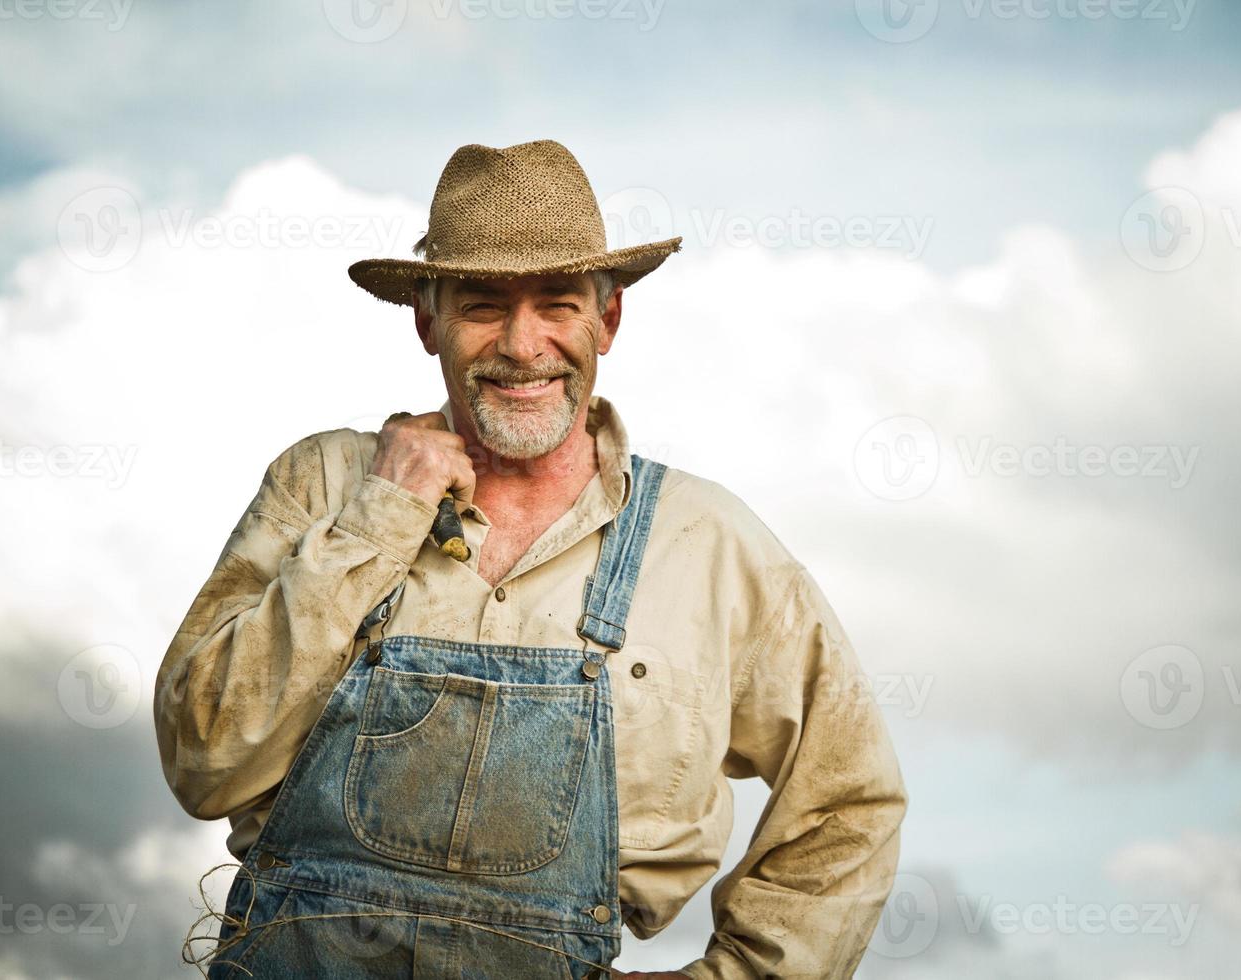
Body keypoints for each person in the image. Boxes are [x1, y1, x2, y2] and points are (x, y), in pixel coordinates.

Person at [153, 139, 906, 979]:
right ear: (427, 321)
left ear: (607, 322)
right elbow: (202, 760)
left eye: (557, 303)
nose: (522, 343)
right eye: (482, 305)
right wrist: (380, 518)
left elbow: (850, 802)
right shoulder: (326, 484)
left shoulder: (708, 545)